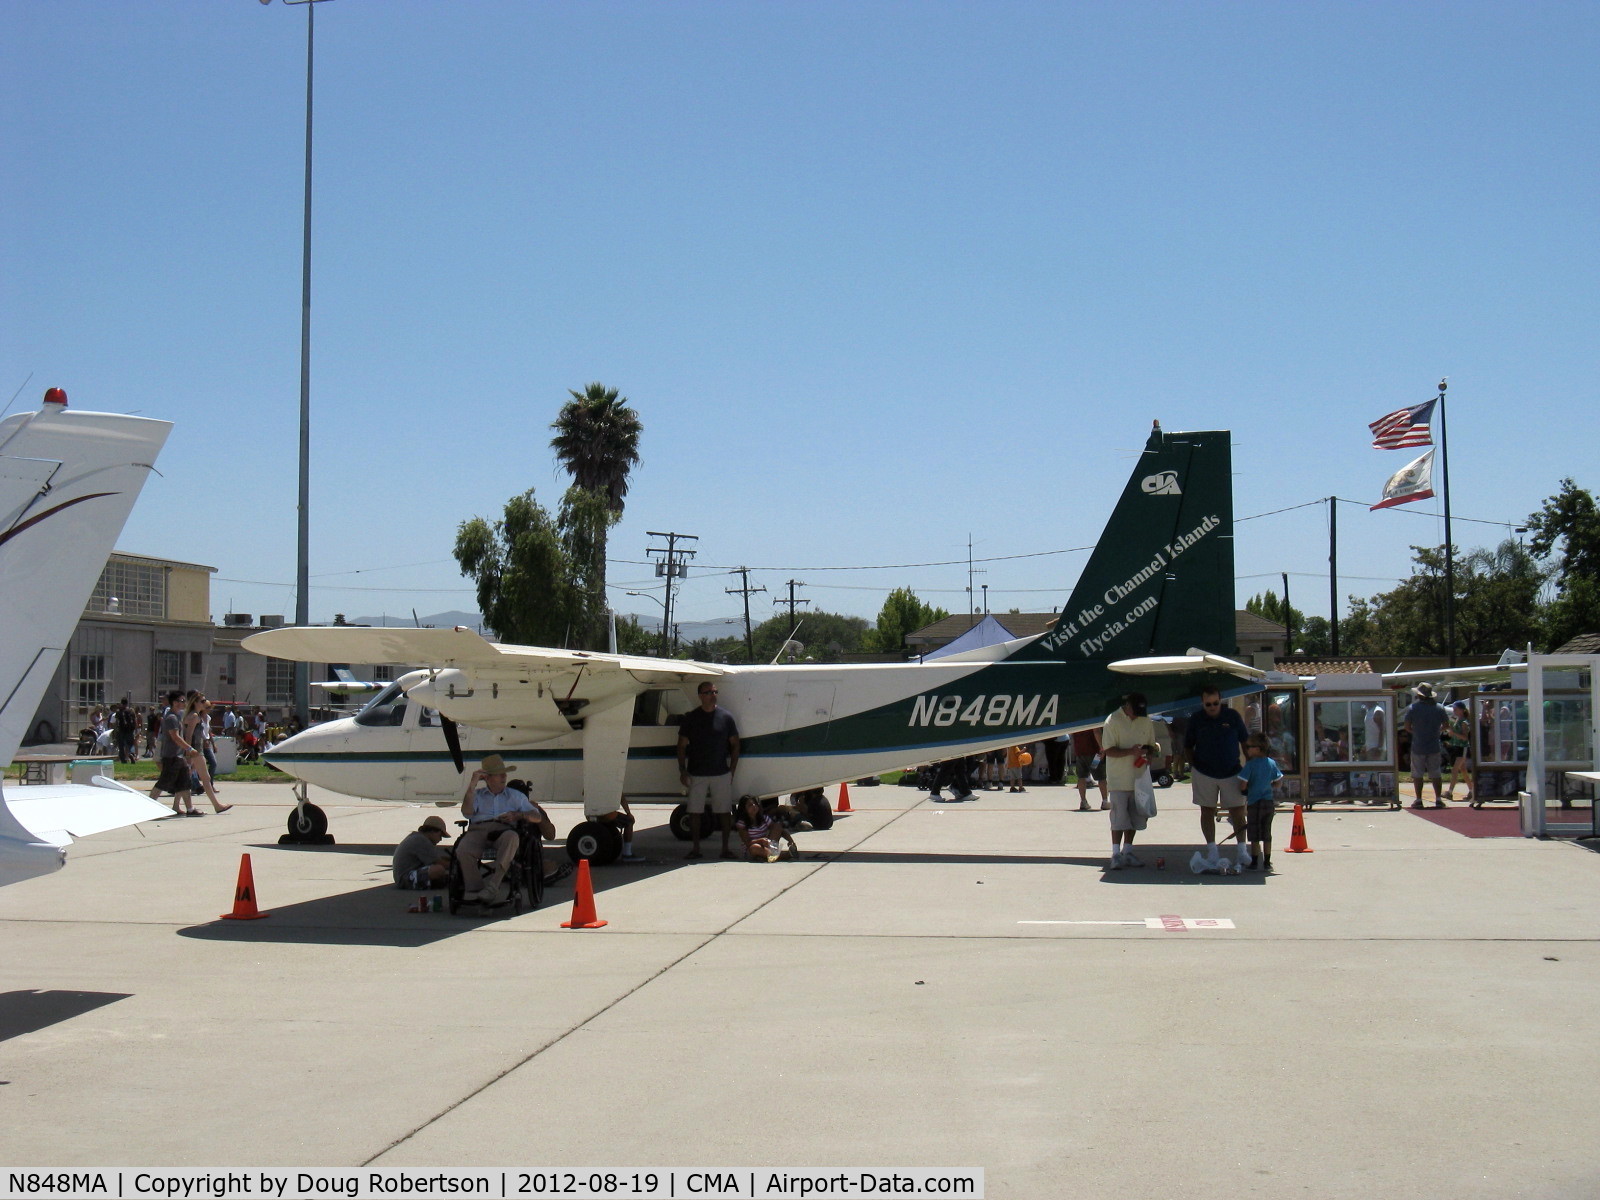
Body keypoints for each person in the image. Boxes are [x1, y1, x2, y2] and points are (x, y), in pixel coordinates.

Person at [456, 755, 555, 904]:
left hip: (504, 830)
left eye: (504, 773)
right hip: (478, 829)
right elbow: (467, 812)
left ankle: (492, 887)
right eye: (499, 773)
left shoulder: (515, 796)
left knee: (512, 838)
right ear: (487, 778)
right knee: (462, 849)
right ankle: (476, 891)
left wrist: (519, 815)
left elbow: (537, 817)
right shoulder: (477, 795)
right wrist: (472, 785)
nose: (504, 776)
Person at [1184, 686, 1251, 869]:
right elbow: (1188, 746)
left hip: (1232, 771)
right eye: (1208, 704)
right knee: (1207, 811)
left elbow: (1245, 742)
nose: (1212, 707)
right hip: (1204, 772)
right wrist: (1194, 767)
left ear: (1220, 700)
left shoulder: (1233, 716)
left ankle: (1241, 850)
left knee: (1238, 811)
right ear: (1202, 703)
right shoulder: (1197, 719)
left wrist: (1250, 767)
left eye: (1215, 703)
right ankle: (1212, 850)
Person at [677, 681, 740, 860]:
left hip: (721, 772)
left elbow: (735, 744)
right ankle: (696, 848)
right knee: (695, 812)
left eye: (715, 691)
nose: (713, 695)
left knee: (724, 811)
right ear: (700, 696)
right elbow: (681, 745)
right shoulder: (691, 718)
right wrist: (682, 769)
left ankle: (725, 848)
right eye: (708, 692)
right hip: (697, 773)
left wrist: (732, 769)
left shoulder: (726, 717)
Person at [1101, 692, 1156, 870]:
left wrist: (1148, 752)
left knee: (1135, 817)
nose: (1137, 715)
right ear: (1127, 706)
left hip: (1139, 778)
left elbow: (1152, 746)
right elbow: (1108, 750)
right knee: (1118, 817)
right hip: (1118, 779)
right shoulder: (1112, 720)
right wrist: (1130, 752)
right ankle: (1115, 853)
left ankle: (1128, 851)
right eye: (1135, 711)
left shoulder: (1145, 720)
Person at [1239, 734, 1284, 872]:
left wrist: (1246, 789)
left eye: (1249, 747)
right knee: (1267, 832)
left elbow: (1242, 785)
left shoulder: (1251, 765)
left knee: (1254, 833)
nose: (1247, 750)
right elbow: (1278, 782)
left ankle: (1254, 862)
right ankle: (1267, 862)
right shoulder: (1271, 763)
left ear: (1257, 749)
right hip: (1268, 802)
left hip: (1254, 802)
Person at [149, 690, 197, 815]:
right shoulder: (171, 717)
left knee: (185, 782)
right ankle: (148, 806)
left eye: (183, 701)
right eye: (181, 701)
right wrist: (189, 749)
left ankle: (190, 809)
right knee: (163, 782)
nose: (183, 703)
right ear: (174, 703)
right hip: (171, 756)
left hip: (179, 756)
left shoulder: (177, 716)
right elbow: (175, 737)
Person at [182, 695, 231, 814]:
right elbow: (188, 735)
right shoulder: (194, 716)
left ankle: (176, 805)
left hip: (195, 750)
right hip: (195, 751)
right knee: (205, 778)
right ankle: (217, 805)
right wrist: (188, 751)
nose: (205, 703)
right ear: (195, 703)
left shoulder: (196, 715)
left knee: (185, 779)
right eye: (202, 701)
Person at [1404, 683, 1448, 809]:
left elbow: (1407, 727)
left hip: (1418, 745)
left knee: (1417, 773)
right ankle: (1438, 798)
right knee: (1436, 773)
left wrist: (1416, 731)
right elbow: (1446, 725)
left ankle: (1418, 799)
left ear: (1419, 695)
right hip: (1434, 745)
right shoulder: (1439, 708)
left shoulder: (1413, 708)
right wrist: (1437, 730)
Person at [393, 815, 452, 889]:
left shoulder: (417, 837)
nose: (440, 839)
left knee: (443, 874)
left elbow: (436, 858)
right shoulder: (421, 840)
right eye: (440, 835)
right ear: (432, 830)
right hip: (405, 879)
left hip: (403, 876)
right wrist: (458, 864)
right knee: (438, 870)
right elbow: (437, 862)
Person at [734, 795, 798, 862]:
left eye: (755, 804)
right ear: (744, 809)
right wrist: (760, 841)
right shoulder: (741, 824)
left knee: (777, 825)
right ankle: (784, 855)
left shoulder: (764, 818)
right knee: (754, 847)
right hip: (752, 848)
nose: (754, 806)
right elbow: (747, 842)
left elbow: (779, 830)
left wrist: (791, 841)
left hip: (766, 845)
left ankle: (766, 856)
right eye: (750, 805)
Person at [1446, 701, 1475, 805]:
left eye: (1456, 709)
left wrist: (1454, 733)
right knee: (1463, 770)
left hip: (1463, 748)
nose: (1454, 711)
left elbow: (1465, 737)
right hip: (1457, 746)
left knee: (1455, 769)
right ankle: (1471, 790)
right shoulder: (1457, 720)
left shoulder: (1464, 722)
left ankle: (1450, 791)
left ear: (1462, 710)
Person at [1071, 727, 1106, 812]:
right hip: (1094, 753)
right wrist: (1102, 747)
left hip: (1080, 752)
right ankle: (1105, 801)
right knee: (1101, 777)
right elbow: (1096, 731)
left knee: (1081, 776)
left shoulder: (1077, 720)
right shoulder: (1091, 718)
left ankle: (1083, 801)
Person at [113, 698, 139, 764]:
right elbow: (135, 721)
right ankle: (130, 754)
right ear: (127, 703)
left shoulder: (119, 712)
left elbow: (116, 722)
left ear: (121, 703)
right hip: (130, 730)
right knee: (129, 744)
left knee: (121, 746)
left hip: (121, 730)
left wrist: (115, 731)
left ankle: (123, 760)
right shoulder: (131, 711)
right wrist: (136, 731)